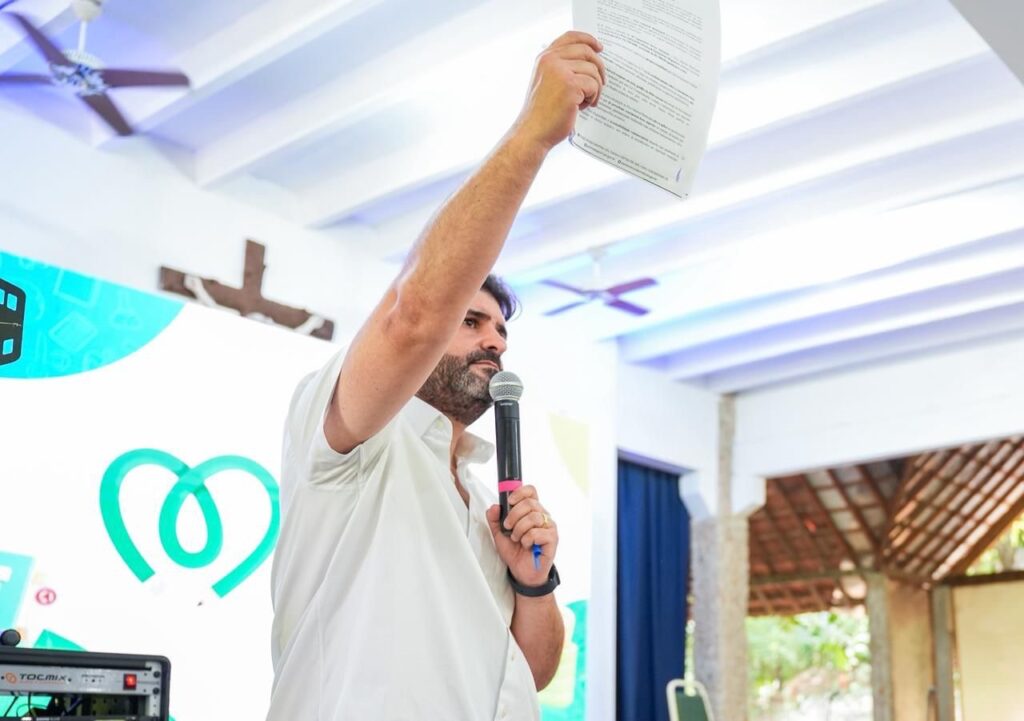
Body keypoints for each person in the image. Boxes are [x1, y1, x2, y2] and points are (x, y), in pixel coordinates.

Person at [266, 31, 606, 721]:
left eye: (502, 332)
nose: (494, 343)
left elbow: (533, 674)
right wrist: (532, 136)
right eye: (472, 321)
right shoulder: (355, 444)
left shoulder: (486, 502)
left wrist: (533, 581)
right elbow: (413, 315)